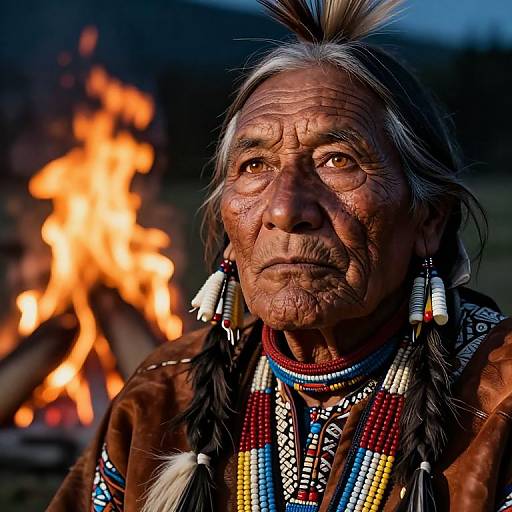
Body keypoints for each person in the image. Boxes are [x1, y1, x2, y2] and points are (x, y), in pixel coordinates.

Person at [48, 1, 512, 511]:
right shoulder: (160, 397)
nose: (285, 207)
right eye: (253, 165)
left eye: (338, 160)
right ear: (228, 220)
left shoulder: (500, 398)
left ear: (429, 220)